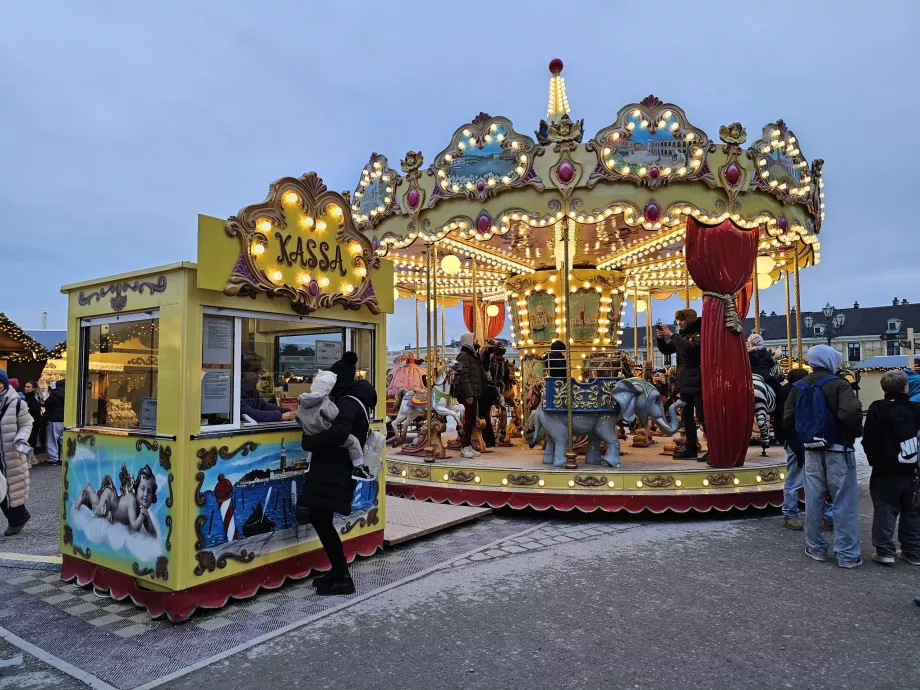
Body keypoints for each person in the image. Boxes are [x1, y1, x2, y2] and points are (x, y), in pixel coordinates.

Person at [298, 352, 377, 596]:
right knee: (321, 518)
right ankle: (338, 570)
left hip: (335, 470)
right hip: (333, 470)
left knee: (321, 519)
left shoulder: (348, 402)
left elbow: (340, 432)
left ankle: (342, 577)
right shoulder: (352, 398)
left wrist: (309, 442)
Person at [783, 344, 864, 568]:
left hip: (811, 449)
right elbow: (850, 412)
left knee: (813, 500)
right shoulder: (839, 384)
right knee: (843, 502)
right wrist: (854, 433)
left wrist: (803, 441)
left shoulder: (798, 386)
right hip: (838, 449)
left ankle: (816, 547)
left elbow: (788, 418)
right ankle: (847, 554)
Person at [862, 369, 920, 566]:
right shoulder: (915, 409)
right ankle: (912, 550)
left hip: (885, 468)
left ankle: (885, 550)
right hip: (912, 469)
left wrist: (875, 461)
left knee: (885, 510)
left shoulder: (877, 407)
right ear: (906, 387)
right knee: (912, 510)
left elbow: (869, 438)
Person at [295, 367, 369, 479]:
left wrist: (307, 426)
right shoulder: (325, 402)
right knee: (353, 442)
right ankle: (359, 467)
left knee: (312, 448)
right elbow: (333, 414)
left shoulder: (303, 401)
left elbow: (298, 417)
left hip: (310, 432)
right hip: (325, 429)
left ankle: (307, 464)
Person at [656, 309, 705, 461]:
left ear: (689, 320)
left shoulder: (699, 335)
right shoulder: (683, 336)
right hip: (684, 381)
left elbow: (691, 350)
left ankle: (713, 447)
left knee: (703, 416)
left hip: (696, 380)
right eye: (678, 320)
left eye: (682, 320)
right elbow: (667, 350)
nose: (679, 323)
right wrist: (660, 339)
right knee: (686, 416)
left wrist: (672, 334)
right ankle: (691, 447)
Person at [0, 369, 33, 536]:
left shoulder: (17, 403)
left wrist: (21, 438)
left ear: (4, 385)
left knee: (11, 490)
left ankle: (17, 519)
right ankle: (18, 518)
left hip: (10, 453)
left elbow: (27, 424)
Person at [240, 355, 295, 423]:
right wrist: (280, 416)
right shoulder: (236, 391)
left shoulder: (251, 388)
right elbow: (250, 414)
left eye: (260, 372)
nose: (259, 376)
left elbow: (264, 406)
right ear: (244, 372)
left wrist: (286, 410)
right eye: (255, 372)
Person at [455, 333, 484, 459]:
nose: (477, 341)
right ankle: (464, 446)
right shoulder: (463, 356)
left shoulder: (472, 356)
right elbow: (463, 376)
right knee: (468, 420)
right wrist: (469, 394)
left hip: (473, 391)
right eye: (474, 339)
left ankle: (467, 445)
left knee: (472, 420)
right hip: (467, 393)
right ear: (468, 341)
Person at [43, 379, 65, 466]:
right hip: (65, 419)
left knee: (52, 439)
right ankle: (63, 458)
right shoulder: (71, 394)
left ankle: (53, 459)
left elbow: (45, 403)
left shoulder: (54, 394)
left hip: (54, 419)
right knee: (63, 440)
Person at [22, 382, 43, 457]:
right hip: (28, 422)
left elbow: (35, 411)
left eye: (28, 387)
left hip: (32, 423)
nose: (25, 388)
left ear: (33, 388)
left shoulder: (34, 398)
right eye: (25, 386)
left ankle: (28, 458)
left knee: (30, 441)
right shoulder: (24, 397)